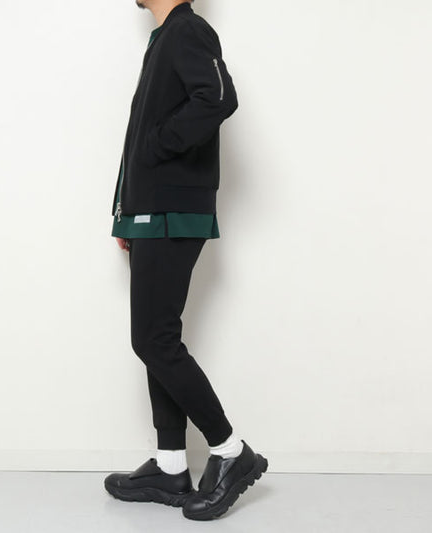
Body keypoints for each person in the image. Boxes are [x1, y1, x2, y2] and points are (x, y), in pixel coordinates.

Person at [104, 0, 268, 520]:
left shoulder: (188, 30)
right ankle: (170, 465)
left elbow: (218, 97)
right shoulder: (163, 40)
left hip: (173, 210)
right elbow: (137, 136)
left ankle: (230, 450)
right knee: (160, 339)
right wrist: (126, 211)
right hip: (152, 211)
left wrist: (160, 146)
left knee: (153, 340)